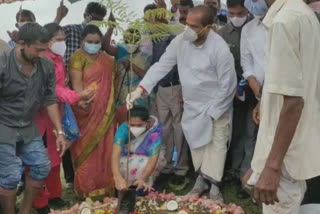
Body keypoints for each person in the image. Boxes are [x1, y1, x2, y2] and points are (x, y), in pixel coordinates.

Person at [127, 6, 237, 201]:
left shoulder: (220, 49)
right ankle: (201, 181)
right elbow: (161, 66)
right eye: (187, 24)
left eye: (194, 27)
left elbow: (228, 85)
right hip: (192, 106)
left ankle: (214, 188)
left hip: (216, 106)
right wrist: (141, 89)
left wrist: (213, 112)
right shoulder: (181, 41)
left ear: (208, 28)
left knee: (217, 146)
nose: (188, 30)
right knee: (197, 146)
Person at [243, 0, 320, 213]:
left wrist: (271, 166)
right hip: (291, 148)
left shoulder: (284, 21)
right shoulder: (303, 14)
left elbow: (294, 102)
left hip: (285, 157)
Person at [0, 23, 68, 214]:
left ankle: (25, 211)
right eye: (38, 50)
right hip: (3, 126)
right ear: (22, 43)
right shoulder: (3, 63)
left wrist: (60, 131)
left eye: (44, 50)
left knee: (41, 166)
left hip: (27, 126)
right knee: (10, 175)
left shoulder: (46, 65)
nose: (41, 54)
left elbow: (50, 99)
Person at [31, 23, 96, 214]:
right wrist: (77, 96)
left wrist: (76, 100)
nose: (63, 43)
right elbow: (52, 90)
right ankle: (40, 201)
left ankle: (54, 195)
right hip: (40, 116)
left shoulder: (58, 59)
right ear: (47, 41)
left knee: (55, 156)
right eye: (58, 40)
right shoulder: (43, 60)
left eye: (64, 40)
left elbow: (61, 88)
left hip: (55, 114)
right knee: (40, 160)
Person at [54, 1, 107, 187]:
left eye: (101, 20)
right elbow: (52, 37)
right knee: (71, 132)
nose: (97, 22)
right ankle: (70, 177)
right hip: (67, 89)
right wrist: (59, 16)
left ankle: (95, 174)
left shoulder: (99, 40)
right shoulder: (72, 30)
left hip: (90, 94)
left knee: (90, 136)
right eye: (94, 17)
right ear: (86, 14)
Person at [69, 25, 115, 198]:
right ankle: (87, 189)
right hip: (85, 112)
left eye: (97, 42)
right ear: (82, 41)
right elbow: (77, 87)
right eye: (90, 42)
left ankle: (106, 187)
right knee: (86, 150)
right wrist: (84, 104)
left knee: (106, 148)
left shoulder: (108, 60)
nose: (94, 45)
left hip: (106, 112)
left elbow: (113, 85)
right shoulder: (77, 58)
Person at [217, 0, 252, 199]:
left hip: (254, 90)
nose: (236, 17)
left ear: (247, 10)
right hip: (231, 92)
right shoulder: (222, 34)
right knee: (235, 131)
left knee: (250, 132)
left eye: (240, 13)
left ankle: (246, 177)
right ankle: (234, 170)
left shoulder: (258, 28)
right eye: (232, 13)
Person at [105, 28, 153, 125]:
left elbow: (147, 76)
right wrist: (110, 28)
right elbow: (105, 46)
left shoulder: (145, 56)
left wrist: (132, 66)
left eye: (134, 40)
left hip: (139, 98)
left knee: (139, 126)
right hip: (122, 97)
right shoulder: (120, 51)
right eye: (128, 40)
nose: (130, 43)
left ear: (139, 41)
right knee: (125, 126)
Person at [112, 106, 166, 191]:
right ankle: (125, 188)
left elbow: (153, 158)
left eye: (139, 125)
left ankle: (143, 188)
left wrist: (142, 178)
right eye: (132, 125)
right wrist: (117, 176)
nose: (135, 128)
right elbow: (116, 153)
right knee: (118, 164)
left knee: (143, 164)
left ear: (147, 122)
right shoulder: (123, 129)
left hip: (147, 156)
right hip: (127, 154)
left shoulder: (155, 130)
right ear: (127, 122)